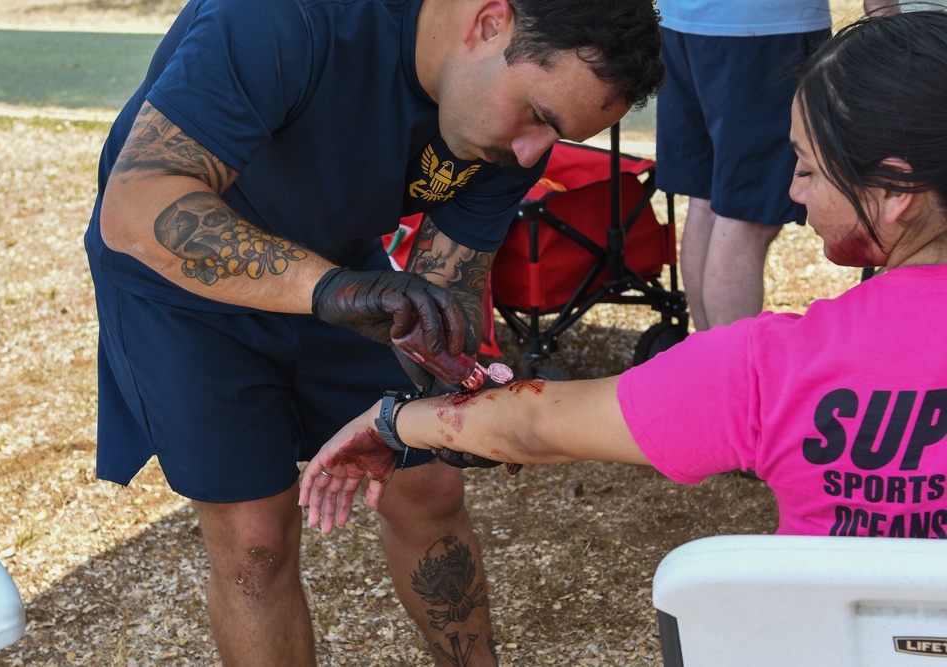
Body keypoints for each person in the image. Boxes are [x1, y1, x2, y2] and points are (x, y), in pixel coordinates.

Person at [83, 0, 664, 664]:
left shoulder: (512, 140)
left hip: (339, 268)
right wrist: (329, 288)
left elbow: (446, 289)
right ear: (490, 21)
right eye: (537, 115)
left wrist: (460, 385)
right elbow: (134, 205)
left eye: (557, 136)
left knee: (430, 480)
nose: (535, 152)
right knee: (256, 542)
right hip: (180, 283)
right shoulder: (282, 17)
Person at [301, 11, 947, 543]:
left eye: (807, 167)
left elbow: (537, 424)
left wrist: (390, 422)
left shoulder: (770, 369)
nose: (793, 189)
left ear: (896, 191)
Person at [654, 1, 841, 332]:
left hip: (682, 22)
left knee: (708, 203)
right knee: (748, 218)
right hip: (765, 30)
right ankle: (730, 373)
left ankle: (709, 365)